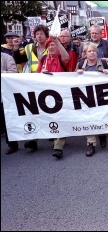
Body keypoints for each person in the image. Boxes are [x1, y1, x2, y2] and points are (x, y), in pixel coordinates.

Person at [12, 24, 50, 152]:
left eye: (41, 34)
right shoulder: (28, 47)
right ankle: (33, 139)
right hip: (32, 84)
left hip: (48, 83)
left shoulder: (51, 47)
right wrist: (16, 47)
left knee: (49, 109)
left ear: (46, 35)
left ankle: (55, 134)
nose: (39, 36)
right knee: (33, 110)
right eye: (37, 34)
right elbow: (18, 59)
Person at [36, 35, 70, 159]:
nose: (51, 47)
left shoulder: (62, 58)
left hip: (61, 94)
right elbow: (36, 75)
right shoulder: (43, 58)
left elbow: (66, 57)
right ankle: (33, 140)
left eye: (53, 45)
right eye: (49, 45)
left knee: (60, 119)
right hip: (45, 93)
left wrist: (56, 40)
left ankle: (58, 147)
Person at [76, 42, 108, 156]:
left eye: (93, 51)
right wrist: (77, 74)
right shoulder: (80, 64)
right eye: (89, 51)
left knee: (101, 117)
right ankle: (91, 143)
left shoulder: (105, 64)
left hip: (101, 96)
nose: (92, 53)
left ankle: (102, 135)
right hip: (87, 98)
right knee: (89, 119)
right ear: (85, 54)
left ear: (97, 53)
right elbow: (73, 82)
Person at [1, 52, 19, 154]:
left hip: (3, 93)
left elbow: (13, 73)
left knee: (5, 120)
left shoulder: (7, 57)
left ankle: (12, 144)